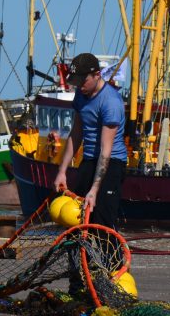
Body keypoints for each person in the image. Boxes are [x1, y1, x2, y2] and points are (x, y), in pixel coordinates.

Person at [53, 52, 127, 228]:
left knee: (101, 219)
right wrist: (62, 171)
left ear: (97, 75)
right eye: (77, 81)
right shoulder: (81, 94)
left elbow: (106, 150)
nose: (80, 86)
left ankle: (109, 247)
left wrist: (94, 189)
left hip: (111, 162)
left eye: (83, 81)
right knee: (76, 217)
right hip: (88, 160)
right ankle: (81, 247)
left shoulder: (110, 102)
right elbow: (76, 133)